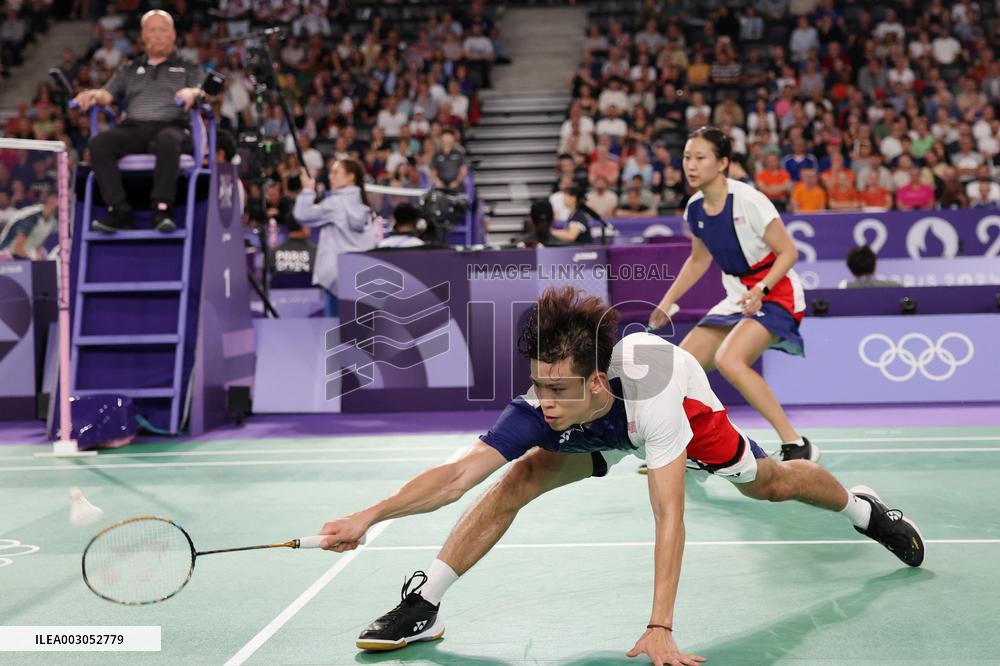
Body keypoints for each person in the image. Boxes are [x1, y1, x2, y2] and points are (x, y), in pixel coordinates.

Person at [317, 287, 925, 662]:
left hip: (678, 412)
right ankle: (424, 603)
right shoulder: (544, 403)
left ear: (595, 381)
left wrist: (660, 625)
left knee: (774, 485)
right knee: (518, 478)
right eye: (538, 384)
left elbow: (669, 515)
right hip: (601, 425)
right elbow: (456, 478)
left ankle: (864, 509)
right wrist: (368, 516)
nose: (543, 401)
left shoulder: (654, 393)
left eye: (557, 389)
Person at [649, 127, 817, 463]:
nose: (690, 165)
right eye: (687, 157)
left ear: (723, 162)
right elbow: (698, 260)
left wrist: (761, 289)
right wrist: (667, 302)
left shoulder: (749, 201)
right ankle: (685, 448)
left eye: (700, 158)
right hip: (738, 296)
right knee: (682, 365)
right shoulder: (695, 208)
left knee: (729, 360)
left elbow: (788, 253)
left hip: (775, 293)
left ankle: (796, 443)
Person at [73, 10, 203, 234]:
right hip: (134, 128)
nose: (158, 35)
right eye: (152, 30)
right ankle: (119, 210)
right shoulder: (129, 69)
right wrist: (92, 95)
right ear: (143, 36)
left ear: (173, 34)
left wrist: (192, 93)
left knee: (168, 140)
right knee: (99, 143)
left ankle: (162, 209)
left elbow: (201, 91)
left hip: (173, 126)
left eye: (163, 30)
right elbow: (107, 94)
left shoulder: (189, 67)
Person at [293, 158, 378, 317]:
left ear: (351, 177)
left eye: (336, 172)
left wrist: (307, 190)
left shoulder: (335, 203)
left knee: (334, 327)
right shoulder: (364, 205)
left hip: (336, 279)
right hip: (360, 277)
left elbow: (302, 215)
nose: (330, 176)